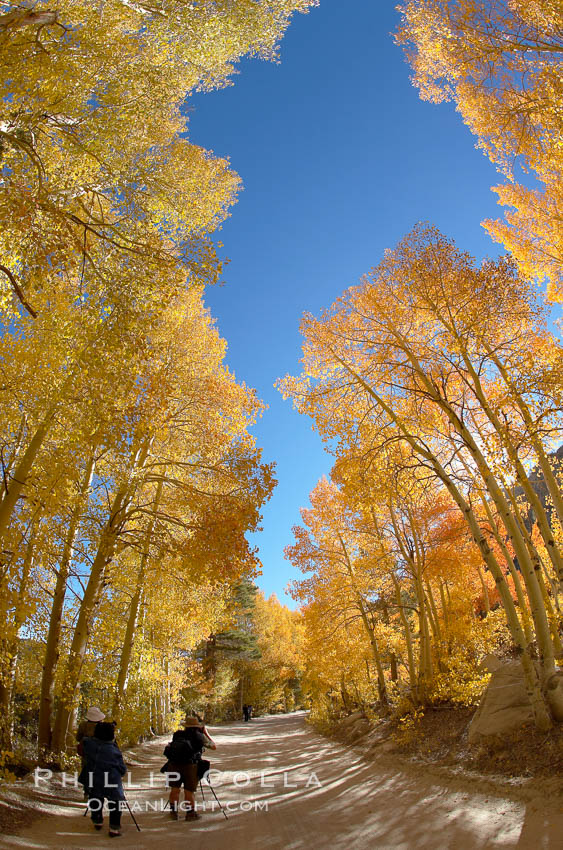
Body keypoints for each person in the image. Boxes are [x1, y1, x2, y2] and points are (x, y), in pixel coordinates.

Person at [163, 716, 216, 821]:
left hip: (174, 764)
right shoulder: (200, 736)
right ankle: (190, 813)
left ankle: (173, 812)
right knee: (189, 791)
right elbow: (213, 746)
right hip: (191, 766)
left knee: (175, 789)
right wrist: (206, 733)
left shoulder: (177, 734)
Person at [81, 721, 127, 838]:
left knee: (95, 797)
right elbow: (121, 768)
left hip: (93, 777)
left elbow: (83, 745)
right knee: (115, 802)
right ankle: (114, 828)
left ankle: (97, 820)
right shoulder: (113, 750)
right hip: (111, 779)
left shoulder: (88, 744)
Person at [76, 706, 106, 799]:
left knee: (86, 770)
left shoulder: (83, 725)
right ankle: (97, 791)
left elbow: (78, 738)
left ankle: (87, 792)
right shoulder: (102, 726)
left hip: (86, 752)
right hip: (99, 752)